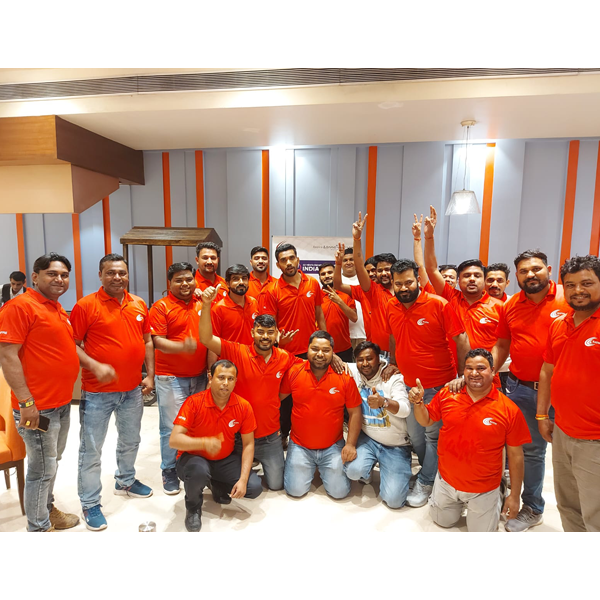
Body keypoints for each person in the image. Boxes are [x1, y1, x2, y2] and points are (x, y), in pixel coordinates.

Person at [0, 254, 89, 532]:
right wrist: (26, 403)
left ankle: (47, 510)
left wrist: (93, 364)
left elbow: (64, 347)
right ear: (35, 277)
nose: (59, 280)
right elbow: (7, 355)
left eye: (64, 275)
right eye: (52, 274)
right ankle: (38, 527)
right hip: (37, 407)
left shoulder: (55, 308)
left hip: (60, 404)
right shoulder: (20, 307)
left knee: (52, 462)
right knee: (41, 469)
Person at [71, 253, 155, 531]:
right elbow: (73, 344)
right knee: (91, 450)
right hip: (97, 392)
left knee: (131, 440)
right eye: (110, 273)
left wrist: (150, 375)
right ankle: (90, 502)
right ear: (100, 276)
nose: (117, 277)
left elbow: (147, 342)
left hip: (132, 389)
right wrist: (95, 365)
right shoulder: (86, 306)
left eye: (121, 272)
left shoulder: (138, 304)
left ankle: (126, 480)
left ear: (127, 274)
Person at [408, 349, 531, 532]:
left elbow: (516, 455)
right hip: (447, 481)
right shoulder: (447, 394)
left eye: (481, 368)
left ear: (493, 371)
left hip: (483, 488)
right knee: (442, 521)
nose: (474, 373)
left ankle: (499, 490)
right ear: (463, 371)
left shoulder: (508, 409)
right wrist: (418, 403)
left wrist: (515, 495)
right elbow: (425, 420)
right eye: (469, 368)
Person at [492, 248, 569, 532]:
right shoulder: (511, 305)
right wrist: (488, 370)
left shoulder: (568, 298)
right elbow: (502, 344)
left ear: (549, 270)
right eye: (523, 271)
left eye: (536, 268)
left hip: (565, 391)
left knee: (573, 453)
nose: (530, 274)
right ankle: (533, 507)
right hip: (522, 389)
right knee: (531, 451)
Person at [385, 258, 470, 507]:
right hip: (410, 386)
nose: (403, 288)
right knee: (415, 434)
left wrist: (462, 375)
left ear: (418, 281)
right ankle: (430, 471)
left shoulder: (439, 304)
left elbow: (462, 340)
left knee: (433, 436)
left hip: (438, 385)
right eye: (398, 283)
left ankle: (426, 480)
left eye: (408, 282)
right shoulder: (391, 305)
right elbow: (394, 336)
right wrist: (393, 360)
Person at [199, 284, 300, 491]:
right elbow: (206, 339)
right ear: (252, 332)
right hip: (238, 436)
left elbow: (309, 368)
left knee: (276, 485)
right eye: (260, 331)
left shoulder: (284, 357)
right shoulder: (237, 351)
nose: (265, 336)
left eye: (270, 333)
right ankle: (230, 472)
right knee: (241, 483)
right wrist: (207, 305)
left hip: (270, 436)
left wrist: (334, 357)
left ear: (276, 335)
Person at [538, 255, 600, 532]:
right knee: (568, 506)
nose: (578, 290)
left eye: (587, 283)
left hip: (595, 440)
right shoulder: (559, 324)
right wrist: (542, 414)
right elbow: (547, 371)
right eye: (571, 284)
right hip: (562, 431)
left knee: (595, 513)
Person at [169, 359, 262, 532]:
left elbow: (249, 444)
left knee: (253, 487)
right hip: (192, 459)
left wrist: (242, 480)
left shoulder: (243, 406)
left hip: (224, 459)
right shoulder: (193, 402)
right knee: (198, 472)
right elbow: (174, 439)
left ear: (235, 381)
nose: (225, 383)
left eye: (230, 379)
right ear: (210, 378)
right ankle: (193, 507)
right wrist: (204, 443)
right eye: (221, 377)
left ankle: (215, 483)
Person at [424, 206, 503, 388]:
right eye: (467, 276)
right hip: (453, 376)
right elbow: (431, 269)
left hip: (488, 377)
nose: (472, 279)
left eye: (477, 275)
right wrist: (429, 237)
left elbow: (504, 345)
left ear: (484, 279)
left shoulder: (499, 307)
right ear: (458, 280)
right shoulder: (450, 297)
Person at [258, 242, 327, 445]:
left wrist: (325, 343)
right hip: (285, 354)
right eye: (283, 260)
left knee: (310, 397)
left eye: (291, 258)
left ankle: (308, 435)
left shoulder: (312, 284)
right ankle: (283, 436)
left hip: (312, 353)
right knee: (285, 400)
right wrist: (279, 341)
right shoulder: (272, 290)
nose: (288, 263)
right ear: (278, 265)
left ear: (298, 259)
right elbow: (268, 325)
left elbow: (319, 315)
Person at [149, 261, 208, 495]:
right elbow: (157, 341)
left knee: (197, 425)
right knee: (170, 427)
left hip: (200, 375)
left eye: (188, 279)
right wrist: (182, 346)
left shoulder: (202, 303)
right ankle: (169, 469)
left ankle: (192, 465)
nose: (185, 284)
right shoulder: (161, 307)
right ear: (170, 282)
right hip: (171, 378)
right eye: (179, 280)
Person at [281, 331, 362, 499]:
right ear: (307, 349)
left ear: (333, 353)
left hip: (332, 445)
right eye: (315, 349)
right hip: (299, 444)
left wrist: (351, 444)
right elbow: (276, 401)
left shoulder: (344, 377)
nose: (319, 354)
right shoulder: (294, 372)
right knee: (295, 491)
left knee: (339, 493)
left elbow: (355, 412)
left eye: (326, 350)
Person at [343, 341, 412, 509]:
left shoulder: (393, 378)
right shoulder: (354, 372)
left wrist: (384, 402)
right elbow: (330, 359)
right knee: (353, 471)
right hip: (369, 441)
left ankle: (398, 469)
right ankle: (367, 468)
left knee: (394, 501)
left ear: (379, 359)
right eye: (360, 359)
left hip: (395, 445)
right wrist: (337, 360)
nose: (365, 363)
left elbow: (405, 410)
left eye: (369, 359)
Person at [333, 213, 395, 354]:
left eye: (387, 269)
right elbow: (359, 266)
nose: (383, 273)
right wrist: (357, 238)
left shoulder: (405, 293)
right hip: (377, 350)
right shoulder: (372, 290)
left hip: (402, 349)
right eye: (380, 270)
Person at [210, 264, 259, 351]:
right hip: (229, 361)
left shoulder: (254, 303)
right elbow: (213, 343)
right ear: (227, 284)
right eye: (235, 279)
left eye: (244, 278)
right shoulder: (218, 309)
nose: (241, 282)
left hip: (252, 359)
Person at [318, 262, 358, 363]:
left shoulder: (346, 295)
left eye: (330, 272)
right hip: (322, 348)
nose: (326, 276)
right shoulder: (316, 296)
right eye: (323, 274)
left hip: (344, 349)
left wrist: (339, 301)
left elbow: (354, 318)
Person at [339, 247, 368, 351]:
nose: (348, 262)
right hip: (342, 336)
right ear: (340, 263)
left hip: (364, 334)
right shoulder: (336, 282)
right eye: (345, 260)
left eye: (351, 259)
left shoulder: (365, 279)